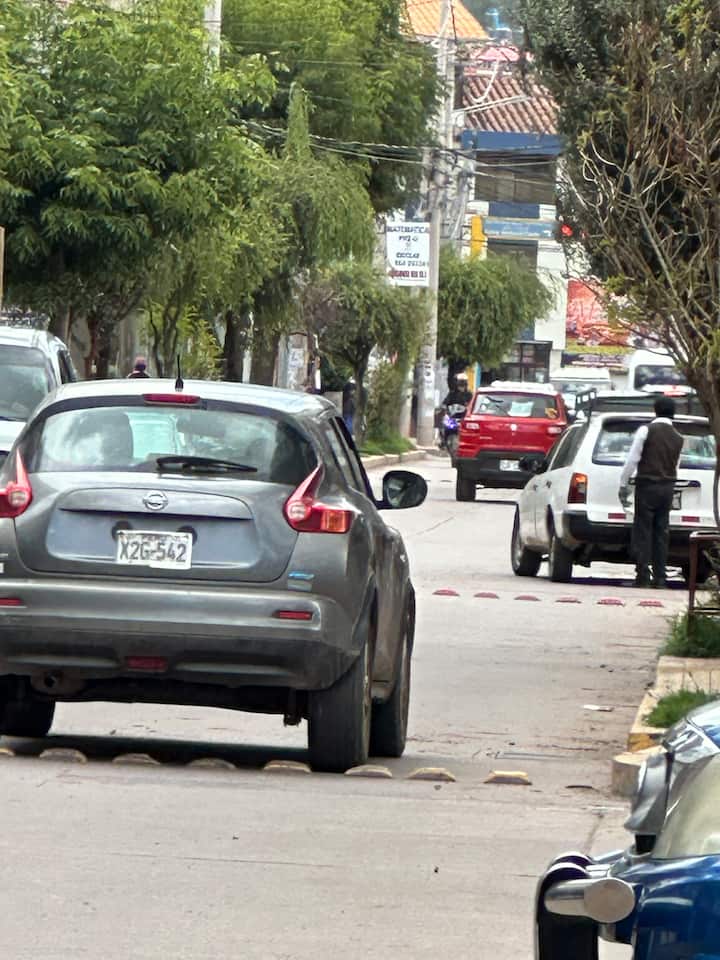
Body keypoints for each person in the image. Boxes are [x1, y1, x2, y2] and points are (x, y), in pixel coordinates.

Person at [619, 395, 684, 588]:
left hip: (647, 485)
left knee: (643, 531)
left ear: (655, 410)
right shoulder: (678, 437)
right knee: (661, 532)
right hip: (667, 487)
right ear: (673, 413)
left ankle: (642, 575)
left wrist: (623, 484)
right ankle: (660, 577)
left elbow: (633, 459)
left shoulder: (646, 430)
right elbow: (676, 465)